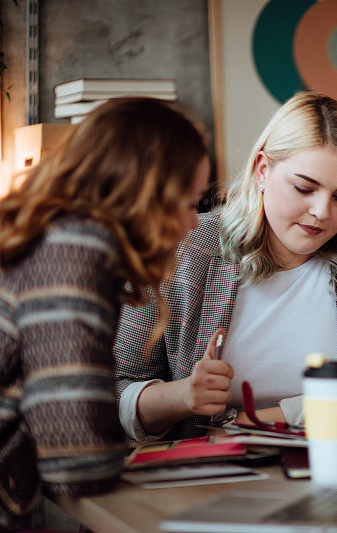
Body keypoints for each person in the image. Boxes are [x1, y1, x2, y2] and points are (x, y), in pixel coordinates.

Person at [114, 91, 337, 442]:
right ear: (262, 170)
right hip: (201, 477)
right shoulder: (187, 245)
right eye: (305, 188)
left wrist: (249, 423)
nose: (322, 211)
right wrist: (182, 396)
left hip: (329, 466)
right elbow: (117, 388)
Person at [0, 98, 209, 528]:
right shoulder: (73, 255)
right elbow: (75, 459)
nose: (194, 223)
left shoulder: (55, 236)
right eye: (190, 203)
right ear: (147, 194)